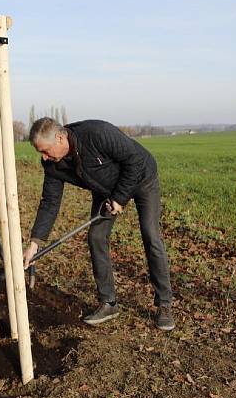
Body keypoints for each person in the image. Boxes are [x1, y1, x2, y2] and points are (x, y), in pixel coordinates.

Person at [22, 117, 175, 331]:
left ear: (60, 137)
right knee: (96, 237)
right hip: (105, 189)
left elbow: (135, 160)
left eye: (45, 151)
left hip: (142, 178)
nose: (44, 158)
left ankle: (164, 304)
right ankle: (108, 303)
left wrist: (120, 198)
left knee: (150, 234)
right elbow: (50, 202)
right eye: (41, 153)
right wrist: (34, 243)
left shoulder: (97, 133)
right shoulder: (52, 165)